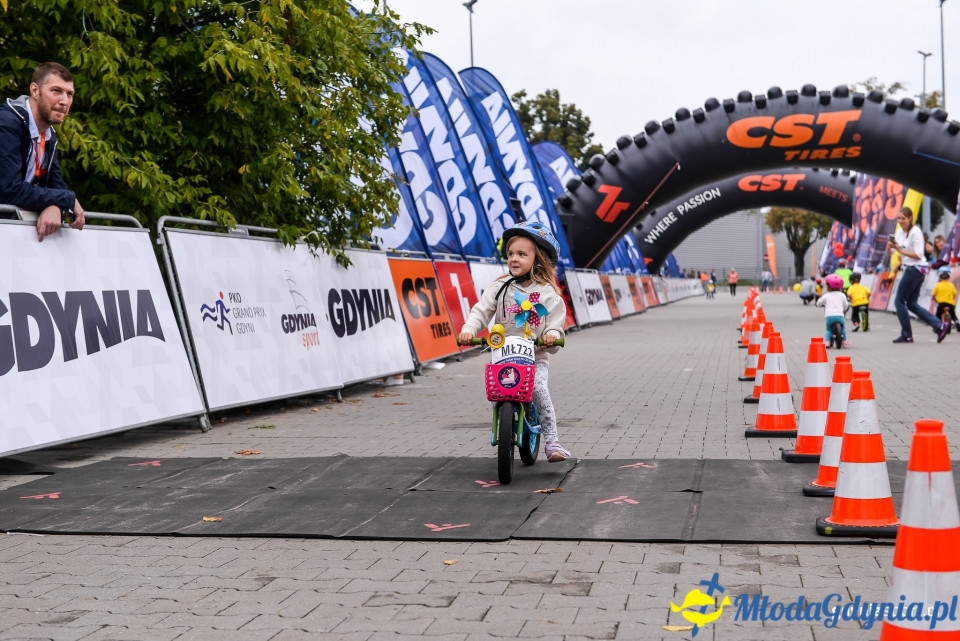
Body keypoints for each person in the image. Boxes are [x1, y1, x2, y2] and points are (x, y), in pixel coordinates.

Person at [458, 220, 570, 462]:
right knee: (497, 392)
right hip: (504, 356)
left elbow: (555, 325)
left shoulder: (547, 294)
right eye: (510, 253)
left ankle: (552, 441)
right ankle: (504, 427)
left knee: (539, 389)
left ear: (538, 259)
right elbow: (482, 310)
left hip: (535, 359)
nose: (514, 259)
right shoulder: (500, 287)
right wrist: (469, 329)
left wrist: (552, 336)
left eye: (521, 254)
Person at [0, 62, 85, 241]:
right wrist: (65, 198)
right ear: (35, 90)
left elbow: (56, 184)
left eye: (70, 94)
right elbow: (8, 190)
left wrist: (57, 206)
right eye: (56, 90)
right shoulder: (7, 123)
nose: (64, 101)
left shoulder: (48, 134)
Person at [888, 206, 950, 344]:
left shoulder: (915, 232)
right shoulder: (900, 233)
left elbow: (918, 255)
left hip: (915, 268)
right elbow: (891, 253)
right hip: (913, 269)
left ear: (910, 218)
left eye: (903, 218)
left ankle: (907, 335)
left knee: (899, 301)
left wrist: (901, 251)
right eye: (898, 218)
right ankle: (939, 326)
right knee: (911, 304)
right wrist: (890, 248)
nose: (900, 221)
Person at [816, 274, 850, 347]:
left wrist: (818, 305)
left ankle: (827, 342)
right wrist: (844, 309)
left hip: (829, 316)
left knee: (828, 329)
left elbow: (819, 302)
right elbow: (846, 305)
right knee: (843, 327)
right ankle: (844, 340)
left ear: (828, 286)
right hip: (840, 315)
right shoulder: (842, 295)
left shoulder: (826, 295)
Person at [931, 266, 960, 333]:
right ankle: (957, 322)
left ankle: (936, 326)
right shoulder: (951, 285)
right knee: (953, 315)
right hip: (951, 303)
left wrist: (934, 299)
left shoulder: (938, 285)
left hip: (941, 303)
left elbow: (933, 295)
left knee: (937, 315)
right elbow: (955, 294)